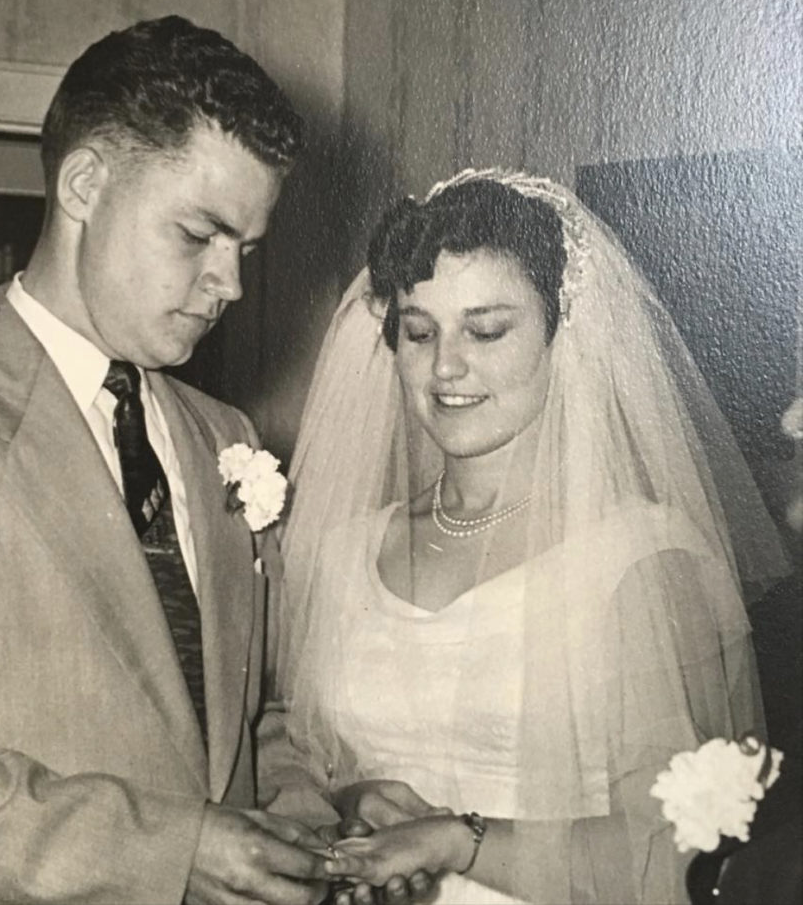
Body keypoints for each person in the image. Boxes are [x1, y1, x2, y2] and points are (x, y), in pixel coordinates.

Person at [0, 16, 331, 905]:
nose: (230, 283)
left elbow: (247, 718)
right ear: (84, 184)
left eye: (247, 249)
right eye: (198, 235)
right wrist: (172, 851)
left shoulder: (225, 433)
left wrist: (307, 831)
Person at [268, 169, 790, 904]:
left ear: (562, 336)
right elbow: (290, 758)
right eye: (419, 332)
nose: (446, 367)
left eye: (486, 330)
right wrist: (346, 801)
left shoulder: (641, 562)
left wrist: (459, 839)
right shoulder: (340, 549)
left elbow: (680, 847)